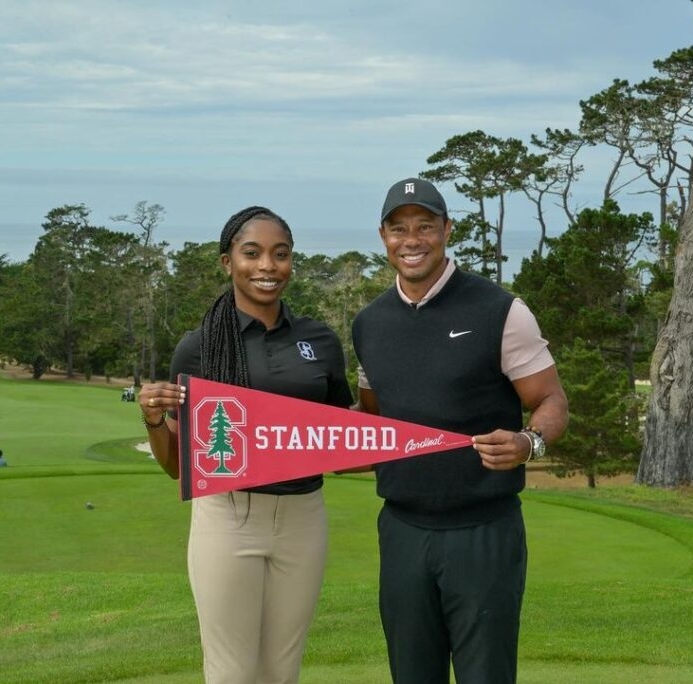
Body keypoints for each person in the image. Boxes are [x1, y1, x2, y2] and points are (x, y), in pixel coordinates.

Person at [351, 177, 570, 684]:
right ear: (383, 236)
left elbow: (551, 399)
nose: (413, 239)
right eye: (399, 228)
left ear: (447, 230)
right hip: (402, 528)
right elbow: (374, 419)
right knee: (411, 674)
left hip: (483, 531)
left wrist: (528, 443)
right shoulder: (369, 324)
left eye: (425, 226)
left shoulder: (500, 311)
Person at [139, 206, 353, 684]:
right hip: (228, 517)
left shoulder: (319, 340)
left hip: (304, 518)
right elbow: (178, 465)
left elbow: (343, 435)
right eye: (251, 253)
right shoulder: (199, 347)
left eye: (280, 255)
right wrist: (153, 418)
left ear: (291, 262)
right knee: (232, 672)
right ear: (227, 262)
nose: (267, 267)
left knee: (281, 670)